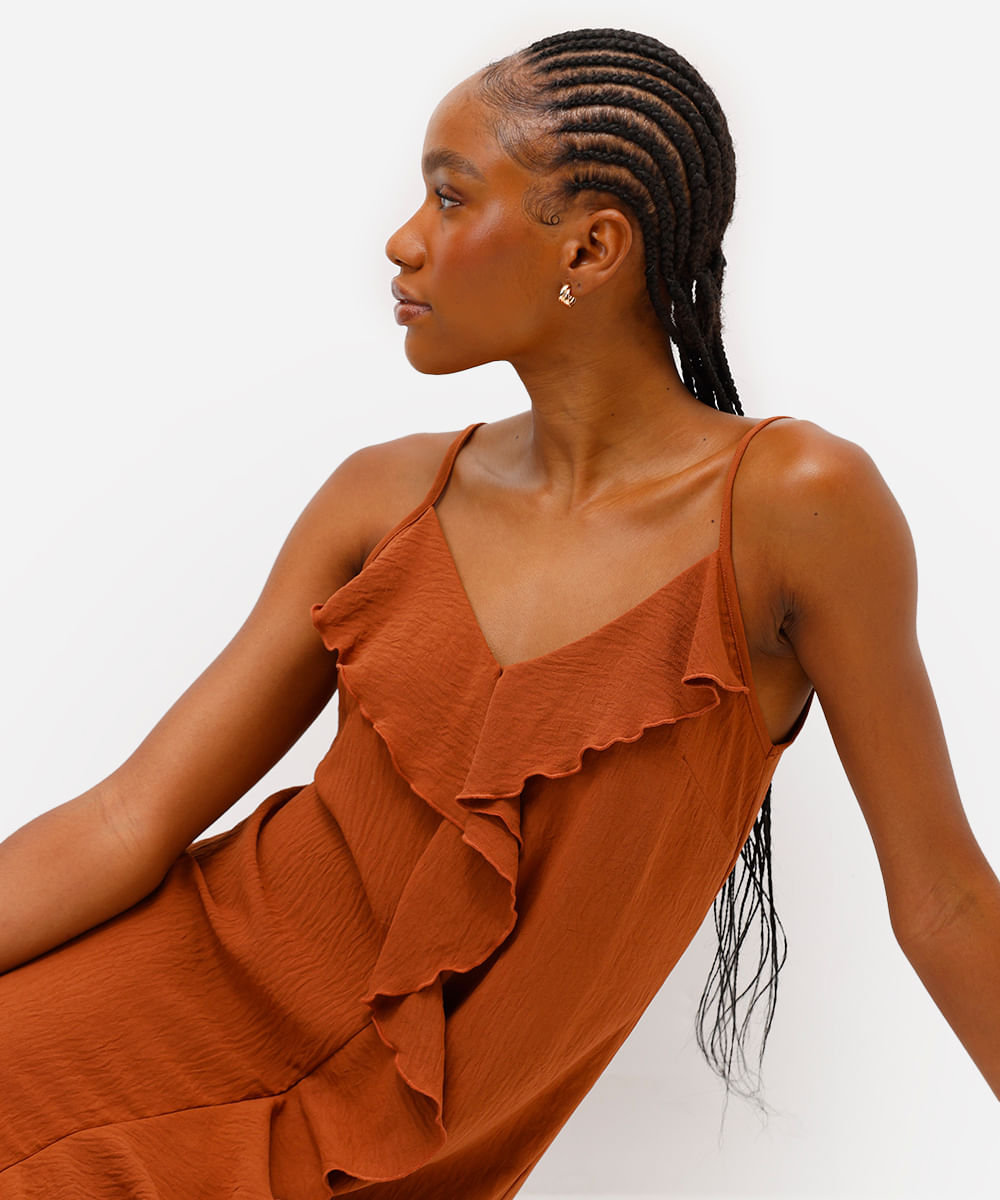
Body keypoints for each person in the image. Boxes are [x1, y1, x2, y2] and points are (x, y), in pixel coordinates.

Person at [0, 24, 997, 1199]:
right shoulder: (383, 497)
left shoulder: (796, 507)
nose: (402, 239)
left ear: (591, 246)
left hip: (395, 1145)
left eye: (449, 194)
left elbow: (942, 902)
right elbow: (129, 817)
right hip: (135, 1014)